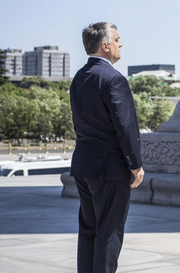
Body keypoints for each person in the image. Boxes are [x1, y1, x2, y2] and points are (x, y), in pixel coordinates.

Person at [70, 22, 144, 273]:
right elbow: (125, 127)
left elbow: (78, 124)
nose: (120, 43)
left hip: (83, 166)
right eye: (117, 39)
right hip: (110, 169)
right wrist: (135, 164)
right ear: (105, 45)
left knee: (89, 231)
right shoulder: (114, 79)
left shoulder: (80, 77)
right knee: (110, 232)